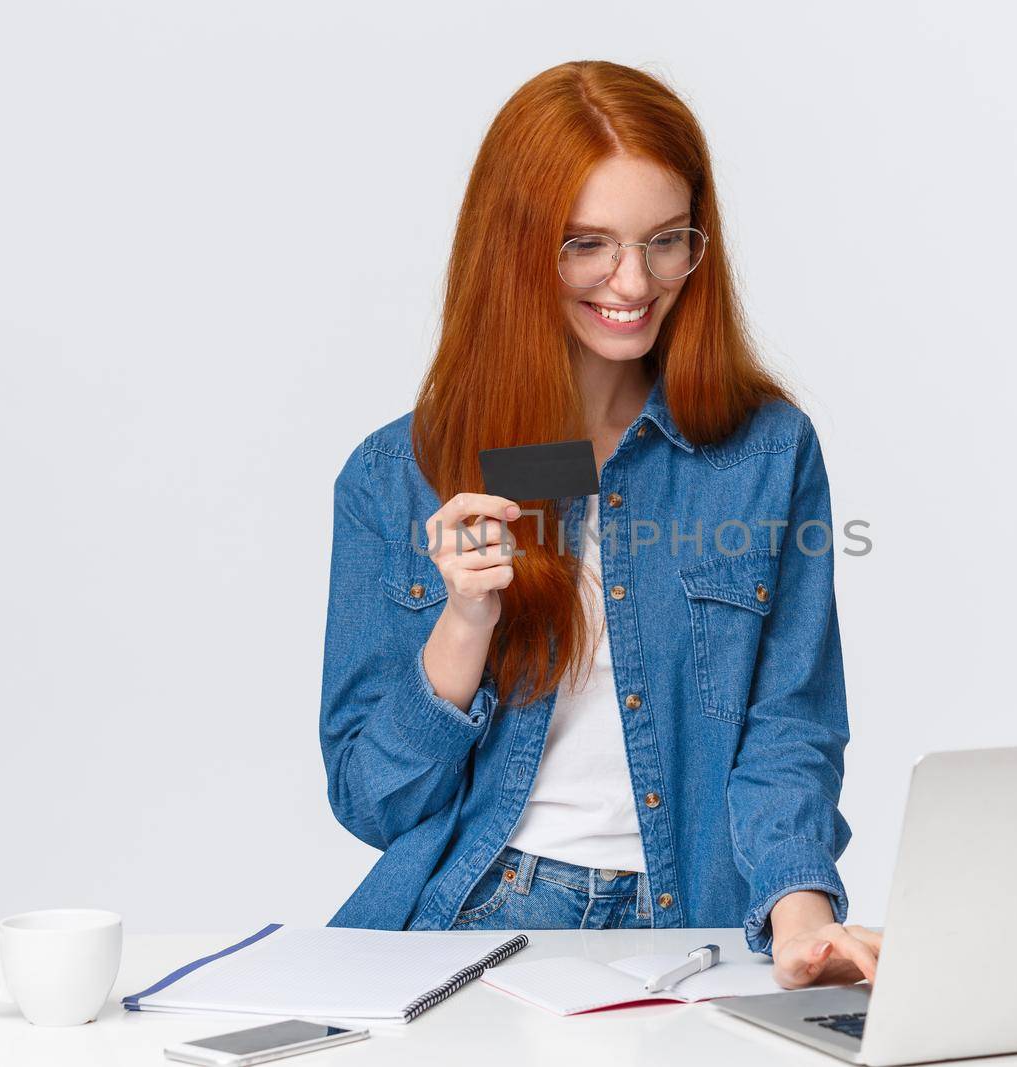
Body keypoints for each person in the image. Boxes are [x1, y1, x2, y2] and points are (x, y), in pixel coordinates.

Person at [318, 60, 877, 988]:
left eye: (666, 241)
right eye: (588, 243)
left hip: (702, 922)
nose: (634, 281)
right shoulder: (396, 474)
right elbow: (373, 801)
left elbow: (791, 726)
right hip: (485, 914)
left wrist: (803, 916)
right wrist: (465, 620)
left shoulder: (765, 452)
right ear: (516, 247)